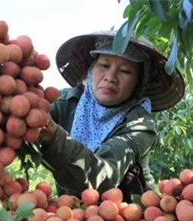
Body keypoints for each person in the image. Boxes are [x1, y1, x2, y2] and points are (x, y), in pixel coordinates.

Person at [37, 31, 185, 202]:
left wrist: (54, 136)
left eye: (125, 71)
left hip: (126, 214)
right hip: (72, 214)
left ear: (139, 83)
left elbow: (106, 175)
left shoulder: (140, 125)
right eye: (104, 65)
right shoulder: (66, 102)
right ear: (91, 69)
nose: (110, 77)